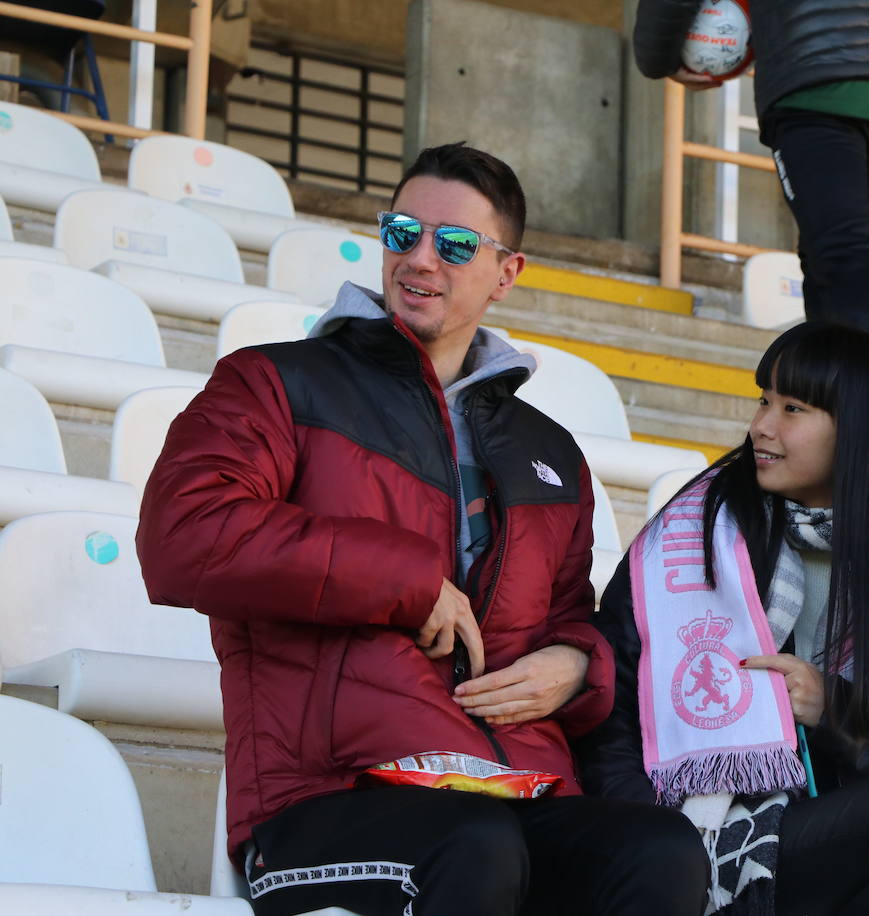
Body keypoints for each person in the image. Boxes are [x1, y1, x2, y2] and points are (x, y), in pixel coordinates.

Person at [137, 142, 707, 916]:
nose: (421, 259)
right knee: (475, 845)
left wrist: (577, 666)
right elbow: (184, 537)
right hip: (327, 794)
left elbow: (569, 612)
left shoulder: (549, 451)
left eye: (457, 243)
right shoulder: (274, 382)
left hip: (514, 789)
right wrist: (406, 585)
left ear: (507, 272)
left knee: (661, 852)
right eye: (403, 232)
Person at [577, 322, 869, 915]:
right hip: (696, 842)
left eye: (793, 408)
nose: (762, 425)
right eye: (764, 400)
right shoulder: (689, 543)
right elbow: (611, 724)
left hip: (836, 858)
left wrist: (841, 713)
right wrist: (665, 847)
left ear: (862, 434)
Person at [634, 0, 869, 340]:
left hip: (812, 79)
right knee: (824, 252)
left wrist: (659, 60)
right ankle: (826, 393)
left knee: (839, 253)